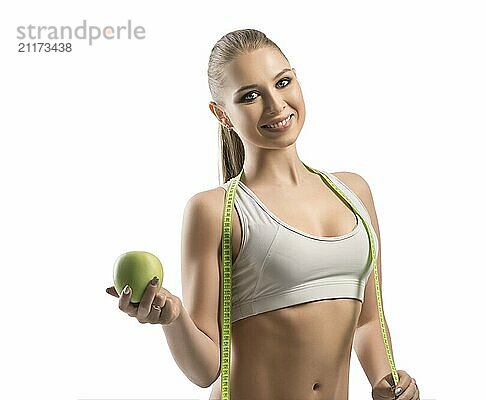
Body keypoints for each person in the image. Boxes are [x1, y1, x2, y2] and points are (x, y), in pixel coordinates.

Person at [106, 28, 419, 400]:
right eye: (250, 95)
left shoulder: (355, 192)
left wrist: (386, 381)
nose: (276, 105)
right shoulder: (217, 210)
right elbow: (206, 370)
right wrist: (174, 319)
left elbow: (368, 320)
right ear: (222, 114)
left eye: (283, 82)